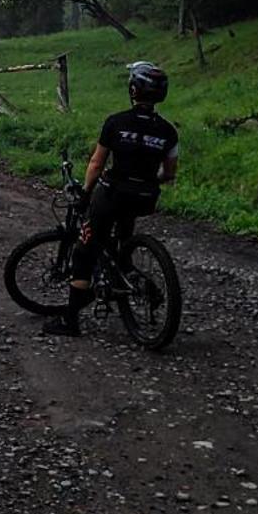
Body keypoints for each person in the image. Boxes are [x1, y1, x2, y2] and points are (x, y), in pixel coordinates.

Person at [42, 61, 178, 337]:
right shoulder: (168, 131)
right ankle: (124, 270)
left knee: (84, 250)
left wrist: (85, 192)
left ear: (132, 90)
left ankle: (70, 321)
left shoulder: (116, 122)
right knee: (122, 238)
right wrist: (149, 179)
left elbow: (96, 163)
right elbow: (169, 173)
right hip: (145, 197)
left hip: (112, 194)